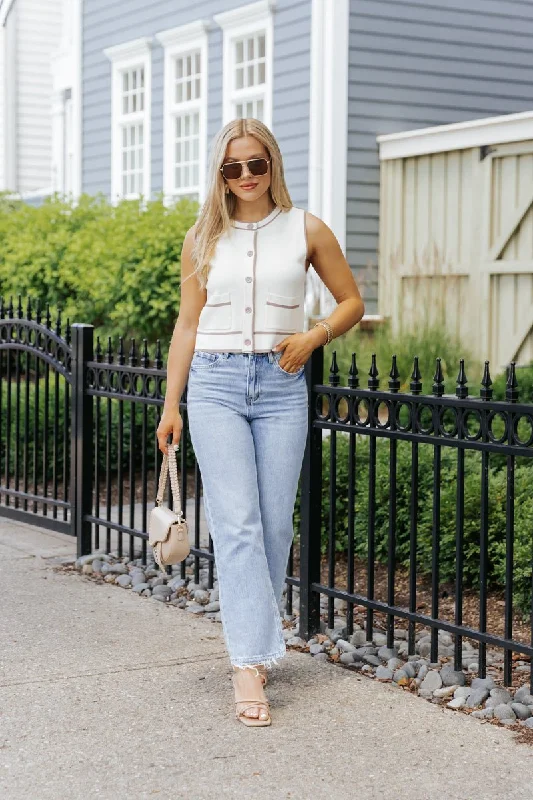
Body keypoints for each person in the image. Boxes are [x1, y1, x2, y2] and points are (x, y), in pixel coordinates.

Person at [156, 117, 364, 727]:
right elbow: (187, 326)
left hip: (281, 384)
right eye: (233, 168)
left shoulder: (306, 229)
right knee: (239, 522)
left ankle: (257, 642)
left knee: (274, 525)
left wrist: (314, 335)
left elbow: (351, 301)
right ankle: (248, 664)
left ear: (272, 163)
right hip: (215, 384)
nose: (246, 177)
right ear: (219, 175)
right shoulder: (202, 238)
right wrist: (172, 405)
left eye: (256, 164)